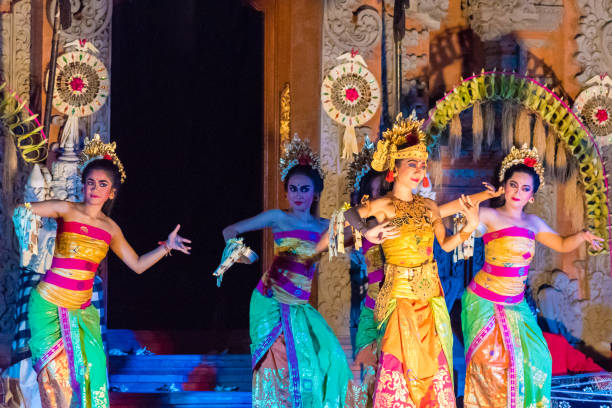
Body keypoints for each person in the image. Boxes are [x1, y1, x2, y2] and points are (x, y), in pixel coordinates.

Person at [23, 136, 191, 408]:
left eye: (103, 184)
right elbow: (24, 211)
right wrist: (28, 235)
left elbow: (136, 265)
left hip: (82, 310)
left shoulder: (111, 229)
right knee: (57, 379)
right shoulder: (67, 209)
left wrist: (167, 247)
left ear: (111, 192)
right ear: (83, 185)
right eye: (90, 182)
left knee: (95, 373)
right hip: (49, 305)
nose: (95, 188)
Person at [341, 114, 489, 407]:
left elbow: (446, 246)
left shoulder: (429, 206)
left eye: (422, 164)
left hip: (431, 299)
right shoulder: (384, 204)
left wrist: (469, 228)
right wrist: (367, 228)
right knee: (399, 364)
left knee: (433, 367)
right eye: (412, 164)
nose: (419, 169)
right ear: (394, 168)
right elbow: (349, 214)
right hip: (399, 299)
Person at [222, 136, 362, 407]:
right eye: (294, 189)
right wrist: (239, 252)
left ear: (316, 193)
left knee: (331, 356)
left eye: (305, 189)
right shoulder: (278, 217)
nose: (299, 195)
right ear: (286, 192)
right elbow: (231, 230)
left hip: (299, 306)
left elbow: (356, 235)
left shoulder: (325, 226)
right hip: (271, 303)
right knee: (279, 369)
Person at [461, 144, 604, 408]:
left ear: (533, 196)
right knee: (490, 362)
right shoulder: (489, 215)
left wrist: (582, 236)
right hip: (484, 302)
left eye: (525, 188)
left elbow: (561, 244)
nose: (518, 192)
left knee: (538, 358)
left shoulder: (533, 224)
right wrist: (472, 215)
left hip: (516, 305)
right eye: (514, 185)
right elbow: (466, 225)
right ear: (504, 187)